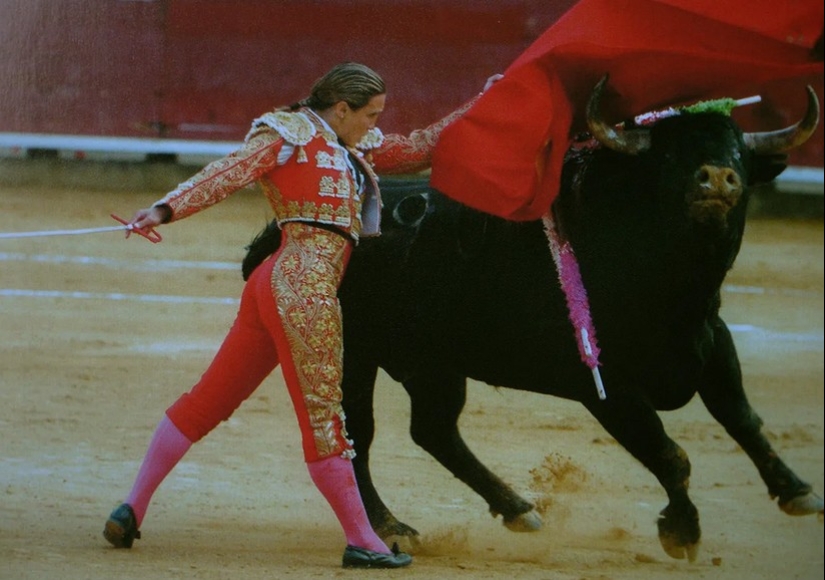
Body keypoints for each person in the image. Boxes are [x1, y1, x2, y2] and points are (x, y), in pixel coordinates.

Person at [103, 62, 499, 569]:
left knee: (209, 399)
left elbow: (422, 146)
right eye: (370, 114)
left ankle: (130, 507)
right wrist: (163, 210)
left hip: (275, 281)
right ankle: (363, 540)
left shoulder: (351, 143)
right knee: (324, 415)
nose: (375, 124)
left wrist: (480, 104)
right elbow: (228, 172)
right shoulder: (287, 133)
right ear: (341, 108)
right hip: (305, 285)